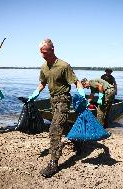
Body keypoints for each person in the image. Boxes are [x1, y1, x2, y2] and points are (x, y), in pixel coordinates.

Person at [28, 39, 85, 178]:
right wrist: (34, 94)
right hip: (52, 101)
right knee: (62, 125)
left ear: (52, 49)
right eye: (41, 53)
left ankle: (54, 163)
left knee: (54, 129)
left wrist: (81, 94)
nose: (43, 55)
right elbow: (42, 83)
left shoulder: (64, 66)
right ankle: (77, 140)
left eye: (45, 52)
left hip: (63, 100)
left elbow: (76, 82)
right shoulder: (44, 67)